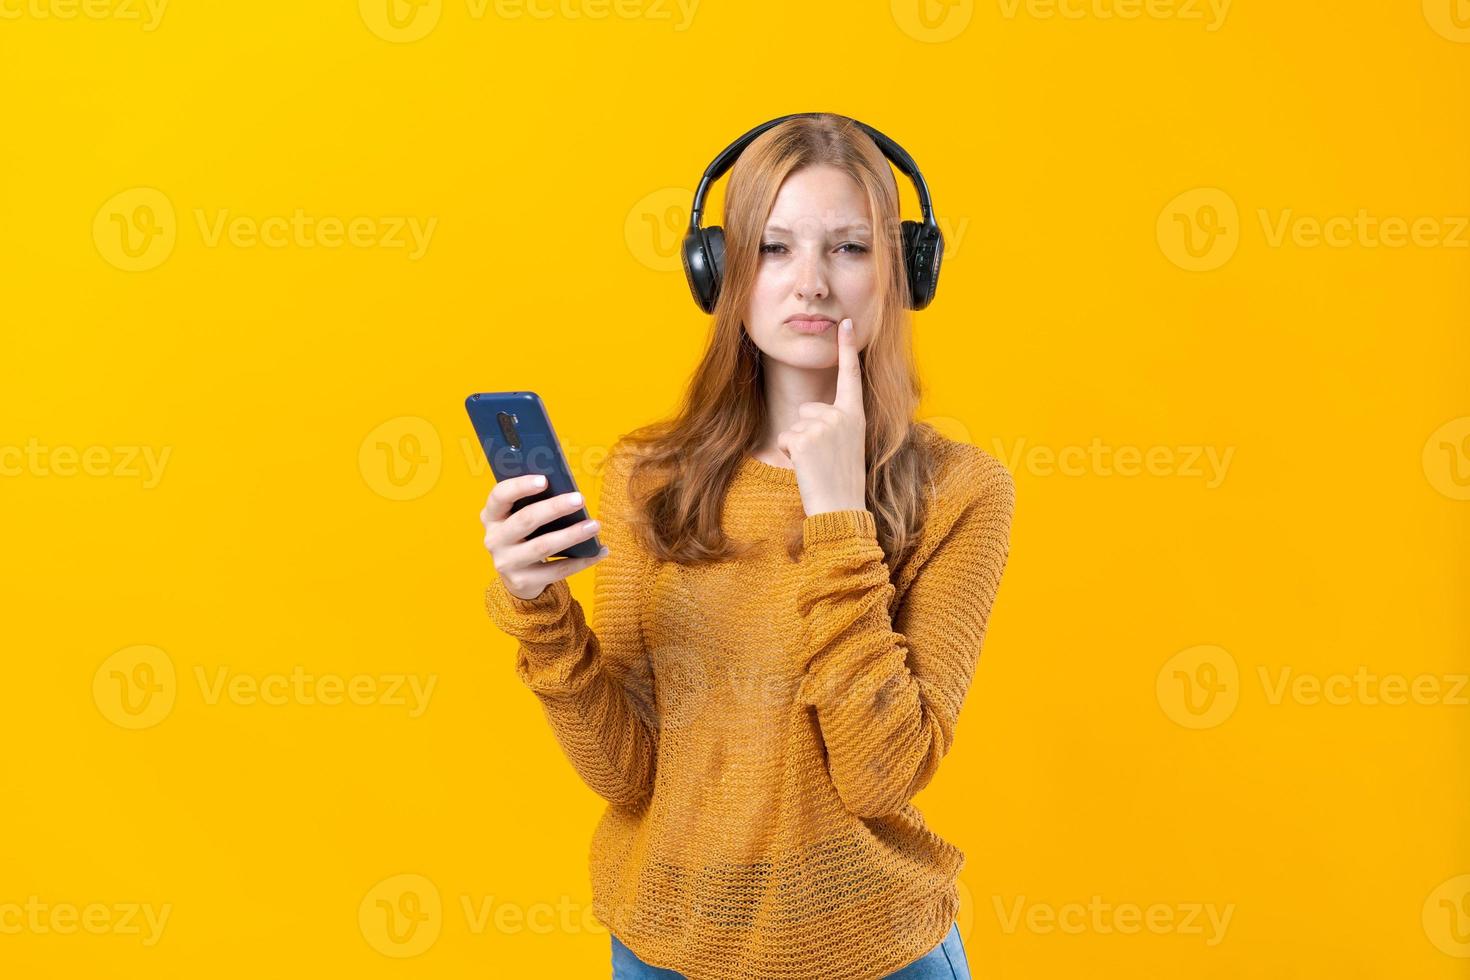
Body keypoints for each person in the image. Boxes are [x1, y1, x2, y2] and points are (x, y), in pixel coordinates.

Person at [478, 113, 1014, 979]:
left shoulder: (961, 491)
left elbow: (882, 776)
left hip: (867, 949)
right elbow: (630, 773)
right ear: (720, 272)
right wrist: (541, 612)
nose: (810, 283)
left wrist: (839, 514)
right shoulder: (646, 478)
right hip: (663, 943)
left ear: (900, 273)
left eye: (848, 248)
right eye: (773, 247)